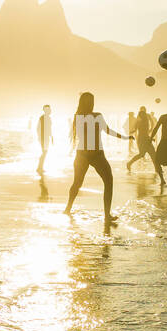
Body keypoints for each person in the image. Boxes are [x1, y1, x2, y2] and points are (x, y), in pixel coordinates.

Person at [64, 92, 129, 230]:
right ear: (86, 102)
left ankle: (105, 214)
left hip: (91, 154)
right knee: (81, 183)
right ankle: (69, 209)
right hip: (88, 154)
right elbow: (97, 132)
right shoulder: (83, 117)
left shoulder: (88, 116)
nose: (91, 103)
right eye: (89, 101)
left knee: (104, 181)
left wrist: (123, 137)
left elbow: (106, 130)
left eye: (91, 100)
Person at [127, 106, 163, 181]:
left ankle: (157, 169)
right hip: (142, 139)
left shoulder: (145, 119)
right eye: (142, 115)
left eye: (144, 114)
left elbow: (137, 129)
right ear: (141, 116)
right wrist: (131, 132)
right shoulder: (140, 122)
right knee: (144, 154)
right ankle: (129, 163)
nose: (144, 116)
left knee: (152, 155)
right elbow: (136, 130)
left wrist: (150, 134)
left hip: (145, 139)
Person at [36, 104, 54, 174]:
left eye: (49, 109)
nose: (49, 111)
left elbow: (49, 129)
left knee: (45, 152)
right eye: (47, 109)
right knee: (44, 152)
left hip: (46, 138)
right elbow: (38, 128)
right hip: (43, 138)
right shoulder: (42, 118)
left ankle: (40, 167)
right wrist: (40, 137)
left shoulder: (49, 118)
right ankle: (39, 168)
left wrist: (51, 137)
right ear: (44, 110)